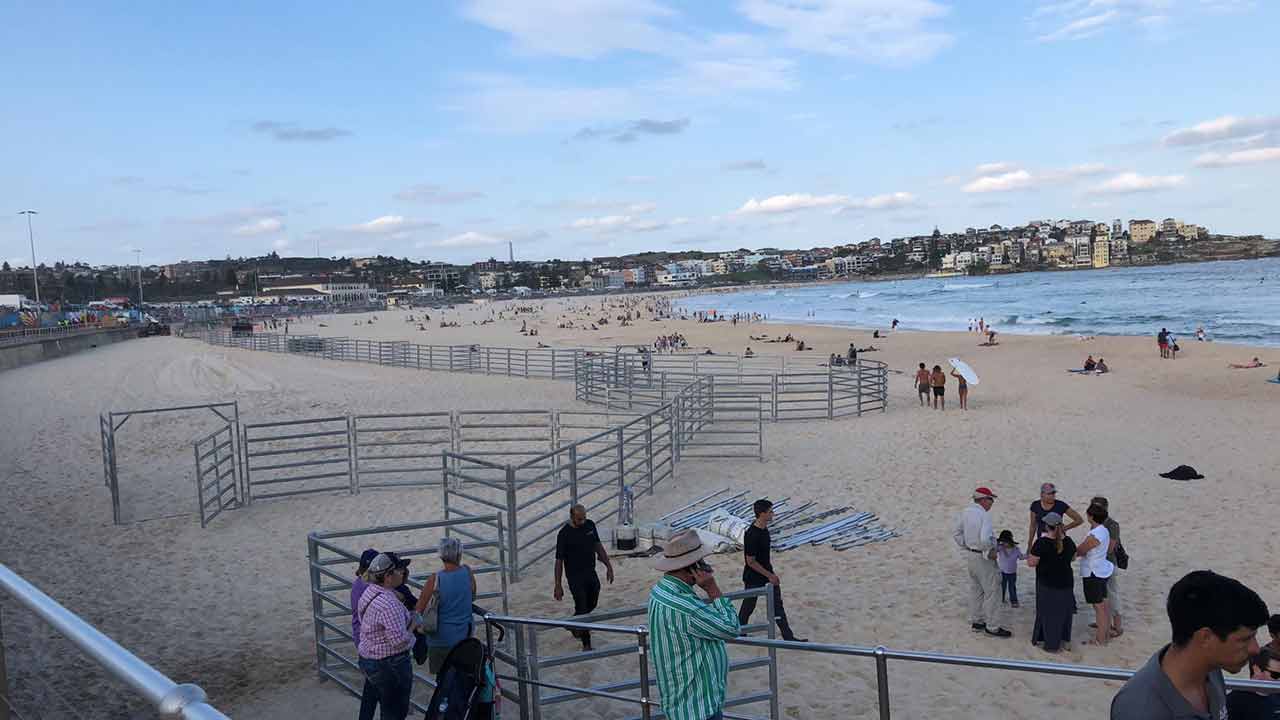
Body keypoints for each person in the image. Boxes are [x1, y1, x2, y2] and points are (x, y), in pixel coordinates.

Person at [1110, 570, 1269, 719]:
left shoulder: (1211, 670)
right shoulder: (1140, 710)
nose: (1255, 649)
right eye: (1244, 639)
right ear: (1205, 637)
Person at [648, 529, 742, 720]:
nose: (707, 567)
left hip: (681, 702)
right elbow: (732, 628)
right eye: (703, 562)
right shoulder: (687, 607)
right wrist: (712, 588)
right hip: (698, 707)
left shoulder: (660, 591)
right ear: (692, 567)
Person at [737, 499, 806, 642]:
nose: (773, 514)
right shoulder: (751, 534)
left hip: (767, 572)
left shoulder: (764, 529)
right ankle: (740, 631)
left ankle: (788, 636)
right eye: (770, 512)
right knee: (749, 605)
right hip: (754, 576)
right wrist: (769, 575)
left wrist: (770, 574)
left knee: (777, 606)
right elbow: (750, 561)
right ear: (761, 514)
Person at [357, 553, 415, 720]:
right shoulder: (389, 604)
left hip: (370, 658)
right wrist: (413, 624)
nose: (403, 572)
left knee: (374, 702)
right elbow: (399, 642)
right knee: (394, 713)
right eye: (399, 570)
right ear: (388, 576)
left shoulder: (369, 593)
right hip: (390, 664)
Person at [554, 504, 615, 651]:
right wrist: (558, 584)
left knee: (592, 602)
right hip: (574, 576)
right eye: (579, 519)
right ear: (572, 517)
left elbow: (598, 546)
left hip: (590, 571)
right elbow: (559, 561)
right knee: (582, 606)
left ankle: (574, 623)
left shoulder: (590, 525)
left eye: (584, 518)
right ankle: (586, 643)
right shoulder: (564, 534)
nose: (582, 522)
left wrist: (609, 566)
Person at [952, 487, 1012, 637]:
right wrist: (989, 550)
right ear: (984, 499)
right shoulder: (984, 515)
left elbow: (956, 533)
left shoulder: (965, 512)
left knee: (976, 590)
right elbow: (985, 539)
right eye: (991, 499)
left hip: (971, 556)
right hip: (983, 557)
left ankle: (977, 621)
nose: (992, 503)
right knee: (993, 592)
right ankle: (992, 627)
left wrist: (967, 546)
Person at [413, 537, 476, 674]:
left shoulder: (435, 579)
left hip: (439, 641)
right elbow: (473, 596)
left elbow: (418, 610)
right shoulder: (467, 572)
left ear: (441, 556)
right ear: (459, 554)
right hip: (464, 638)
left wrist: (417, 629)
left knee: (442, 681)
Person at [1028, 512, 1077, 653]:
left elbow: (1032, 563)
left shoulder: (1041, 543)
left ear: (1046, 526)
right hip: (1066, 582)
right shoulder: (1068, 541)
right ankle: (1065, 640)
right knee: (1064, 613)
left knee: (1048, 614)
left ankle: (1050, 645)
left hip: (1047, 584)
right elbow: (1073, 558)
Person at [1076, 502, 1115, 646]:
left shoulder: (1095, 534)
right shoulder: (1104, 530)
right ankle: (1104, 635)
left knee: (1099, 607)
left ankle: (1100, 639)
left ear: (1091, 517)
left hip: (1093, 572)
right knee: (1103, 605)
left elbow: (1081, 550)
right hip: (1102, 570)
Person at [1091, 495, 1125, 637]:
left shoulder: (1112, 525)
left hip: (1109, 565)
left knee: (1112, 594)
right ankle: (1103, 622)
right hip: (1098, 565)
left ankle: (1117, 627)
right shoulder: (1095, 523)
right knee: (1101, 595)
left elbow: (1110, 548)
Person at [1225, 648, 1280, 719]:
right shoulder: (1235, 701)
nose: (1279, 679)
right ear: (1256, 670)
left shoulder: (1277, 694)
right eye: (1275, 675)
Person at [1026, 483, 1084, 549]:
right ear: (1042, 494)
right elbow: (1033, 526)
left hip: (1058, 542)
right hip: (1042, 542)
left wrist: (1065, 528)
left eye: (1053, 493)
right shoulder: (1035, 505)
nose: (1052, 496)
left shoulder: (1061, 505)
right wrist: (1030, 544)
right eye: (1049, 494)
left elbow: (1079, 520)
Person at [995, 530, 1024, 608]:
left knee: (1012, 587)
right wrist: (997, 542)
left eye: (1005, 542)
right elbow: (993, 549)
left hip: (1012, 573)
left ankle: (1014, 601)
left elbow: (1021, 557)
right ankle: (1001, 598)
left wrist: (1028, 555)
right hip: (1002, 572)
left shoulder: (1016, 549)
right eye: (1003, 542)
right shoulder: (1000, 548)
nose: (1004, 544)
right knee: (1002, 587)